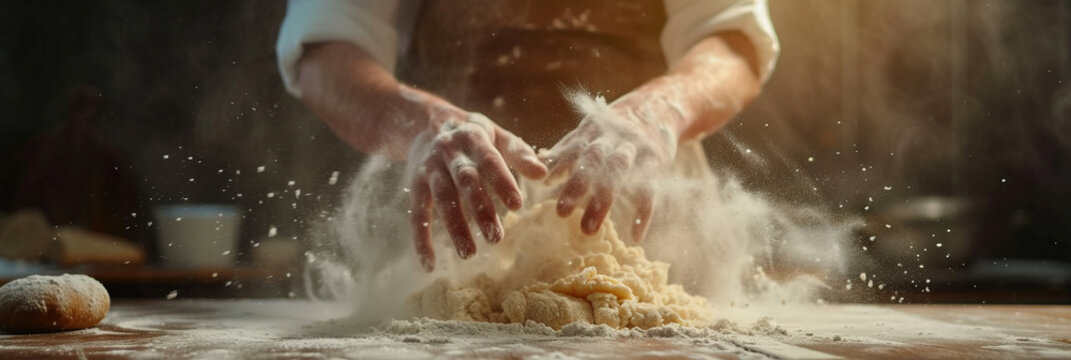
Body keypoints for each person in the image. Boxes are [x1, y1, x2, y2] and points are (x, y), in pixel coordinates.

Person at [277, 0, 779, 272]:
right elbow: (328, 51)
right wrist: (426, 124)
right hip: (454, 216)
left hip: (656, 233)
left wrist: (658, 112)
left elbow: (731, 41)